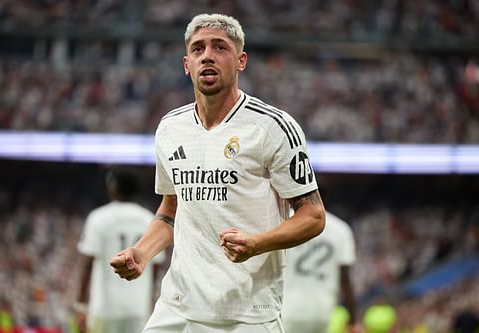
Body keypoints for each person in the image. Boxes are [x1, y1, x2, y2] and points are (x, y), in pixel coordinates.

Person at [110, 13, 326, 333]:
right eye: (197, 49)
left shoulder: (273, 127)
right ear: (187, 65)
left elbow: (313, 216)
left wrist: (256, 243)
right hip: (177, 306)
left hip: (247, 313)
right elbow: (171, 210)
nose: (207, 56)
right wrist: (141, 253)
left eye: (219, 48)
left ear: (241, 61)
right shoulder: (170, 128)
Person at [75, 167, 166, 333]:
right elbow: (155, 267)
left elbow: (87, 265)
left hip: (104, 308)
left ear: (114, 187)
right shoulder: (149, 219)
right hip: (138, 308)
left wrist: (81, 306)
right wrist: (150, 303)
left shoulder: (99, 218)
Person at [282, 211, 360, 333]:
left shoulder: (285, 222)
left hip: (289, 309)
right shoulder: (341, 229)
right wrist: (354, 321)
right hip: (322, 311)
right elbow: (345, 279)